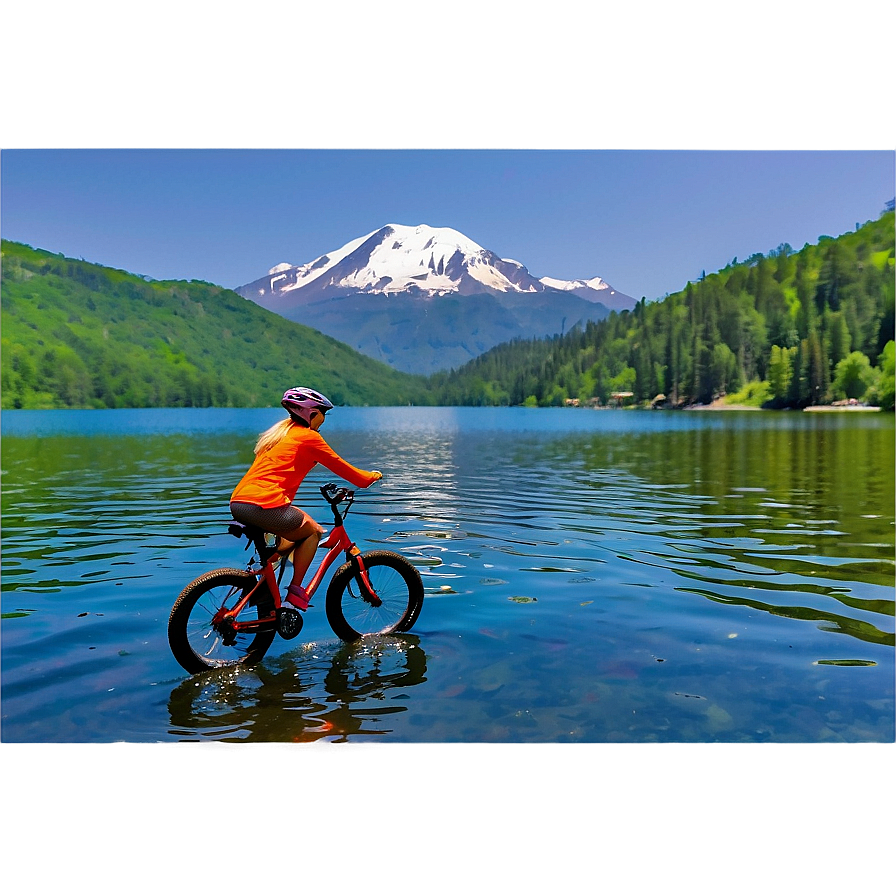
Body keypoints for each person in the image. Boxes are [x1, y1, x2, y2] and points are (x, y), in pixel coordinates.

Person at [230, 387, 382, 610]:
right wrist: (373, 476)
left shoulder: (281, 434)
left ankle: (264, 582)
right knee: (313, 531)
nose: (323, 420)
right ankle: (296, 591)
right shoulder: (309, 437)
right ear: (311, 413)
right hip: (263, 504)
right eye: (322, 414)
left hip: (240, 502)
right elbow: (353, 475)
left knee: (289, 539)